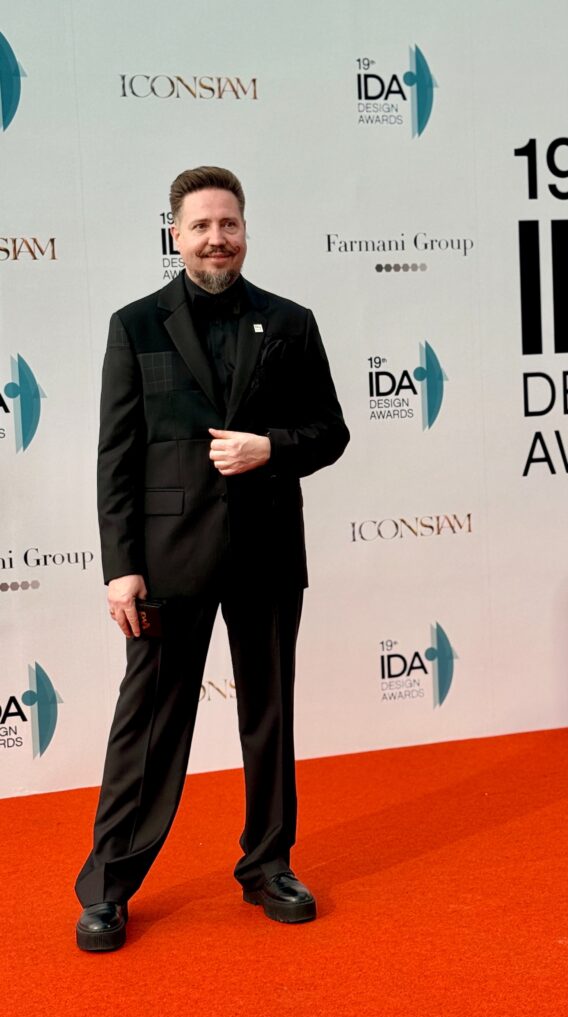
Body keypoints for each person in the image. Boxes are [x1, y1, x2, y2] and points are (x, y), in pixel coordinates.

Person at [74, 166, 349, 952]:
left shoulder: (289, 322)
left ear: (245, 229)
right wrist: (120, 566)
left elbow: (330, 431)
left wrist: (272, 448)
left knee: (268, 715)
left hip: (267, 550)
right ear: (176, 235)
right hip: (167, 558)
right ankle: (108, 887)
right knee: (148, 725)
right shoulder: (136, 325)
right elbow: (117, 455)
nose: (216, 238)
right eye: (200, 226)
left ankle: (268, 865)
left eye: (228, 224)